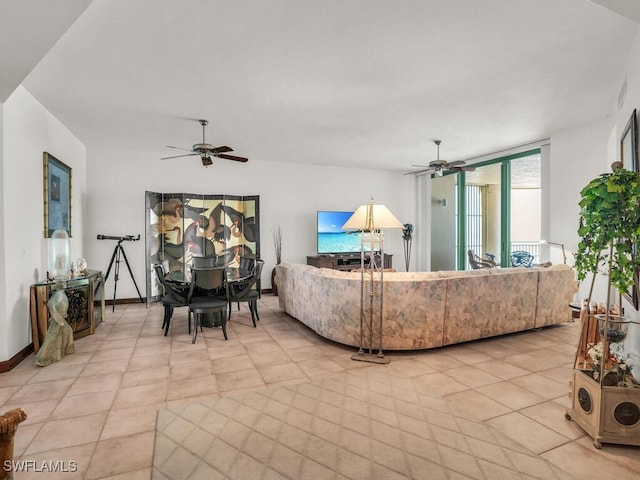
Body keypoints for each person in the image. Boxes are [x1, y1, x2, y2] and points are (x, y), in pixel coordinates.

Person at [34, 286, 74, 366]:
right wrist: (58, 318)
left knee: (67, 331)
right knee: (52, 337)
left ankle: (64, 350)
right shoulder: (58, 295)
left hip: (61, 318)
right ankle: (42, 358)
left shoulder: (62, 294)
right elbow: (51, 306)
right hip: (57, 319)